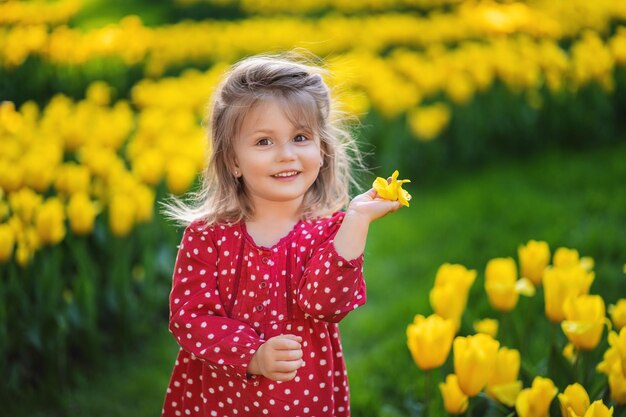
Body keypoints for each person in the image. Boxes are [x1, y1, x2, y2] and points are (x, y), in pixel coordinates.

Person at [161, 53, 403, 417]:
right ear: (233, 161)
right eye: (264, 142)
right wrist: (252, 355)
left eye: (301, 137)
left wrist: (356, 220)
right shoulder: (207, 236)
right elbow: (189, 318)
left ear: (322, 150)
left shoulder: (330, 233)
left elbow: (326, 305)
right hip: (217, 399)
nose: (286, 155)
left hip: (301, 397)